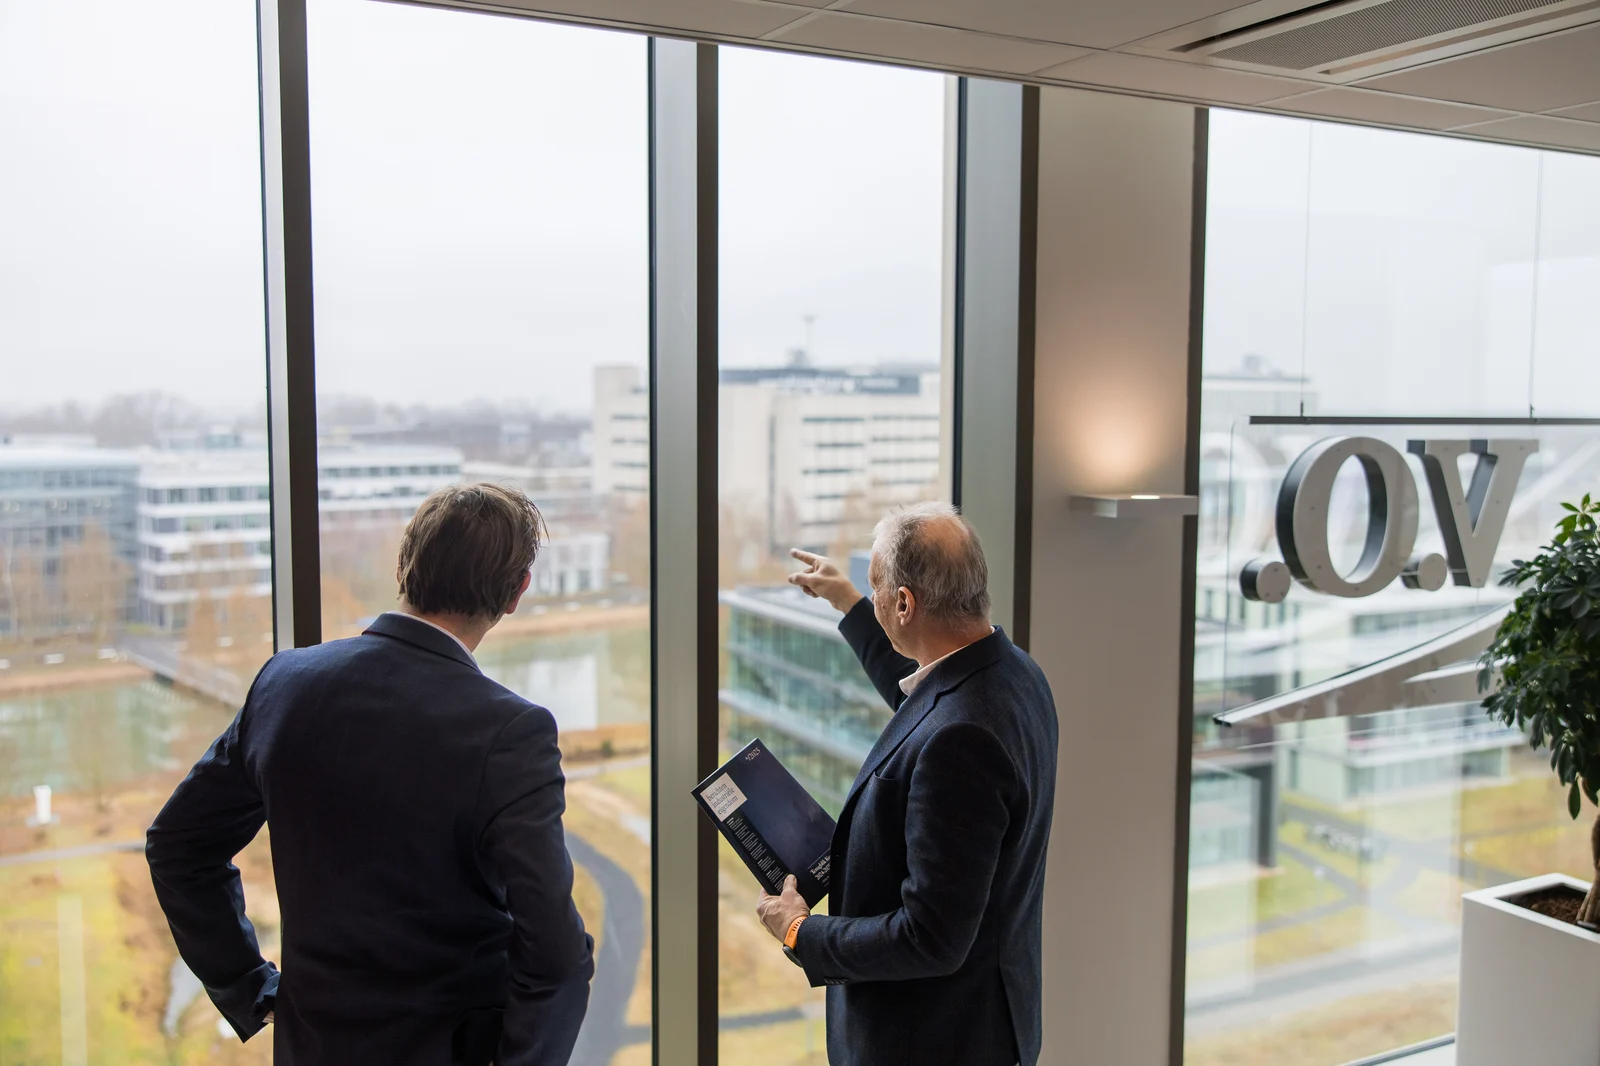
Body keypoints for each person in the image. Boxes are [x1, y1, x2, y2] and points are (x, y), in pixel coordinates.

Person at [146, 484, 593, 1066]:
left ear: (405, 564)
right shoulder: (512, 732)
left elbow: (178, 847)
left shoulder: (285, 684)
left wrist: (252, 987)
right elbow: (556, 955)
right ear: (516, 593)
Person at [760, 502, 1058, 1066]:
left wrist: (801, 931)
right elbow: (922, 701)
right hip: (986, 1021)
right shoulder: (1014, 672)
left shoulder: (960, 741)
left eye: (877, 590)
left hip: (934, 1040)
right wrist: (848, 601)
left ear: (904, 603)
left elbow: (930, 936)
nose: (873, 600)